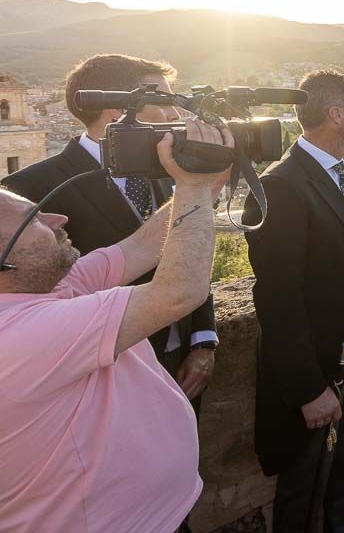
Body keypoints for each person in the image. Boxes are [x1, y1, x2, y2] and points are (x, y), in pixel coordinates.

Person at [0, 119, 232, 533]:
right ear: (5, 266)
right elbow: (178, 291)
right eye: (34, 219)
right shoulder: (17, 337)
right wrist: (195, 188)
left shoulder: (48, 287)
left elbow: (142, 246)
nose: (58, 218)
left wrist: (205, 182)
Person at [2, 54, 218, 408]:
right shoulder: (31, 187)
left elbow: (189, 247)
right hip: (102, 366)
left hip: (183, 359)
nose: (175, 115)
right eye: (164, 102)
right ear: (118, 110)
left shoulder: (171, 172)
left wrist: (203, 339)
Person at [243, 69, 344, 533]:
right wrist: (309, 388)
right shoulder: (280, 187)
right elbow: (277, 297)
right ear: (335, 114)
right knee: (304, 482)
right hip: (321, 364)